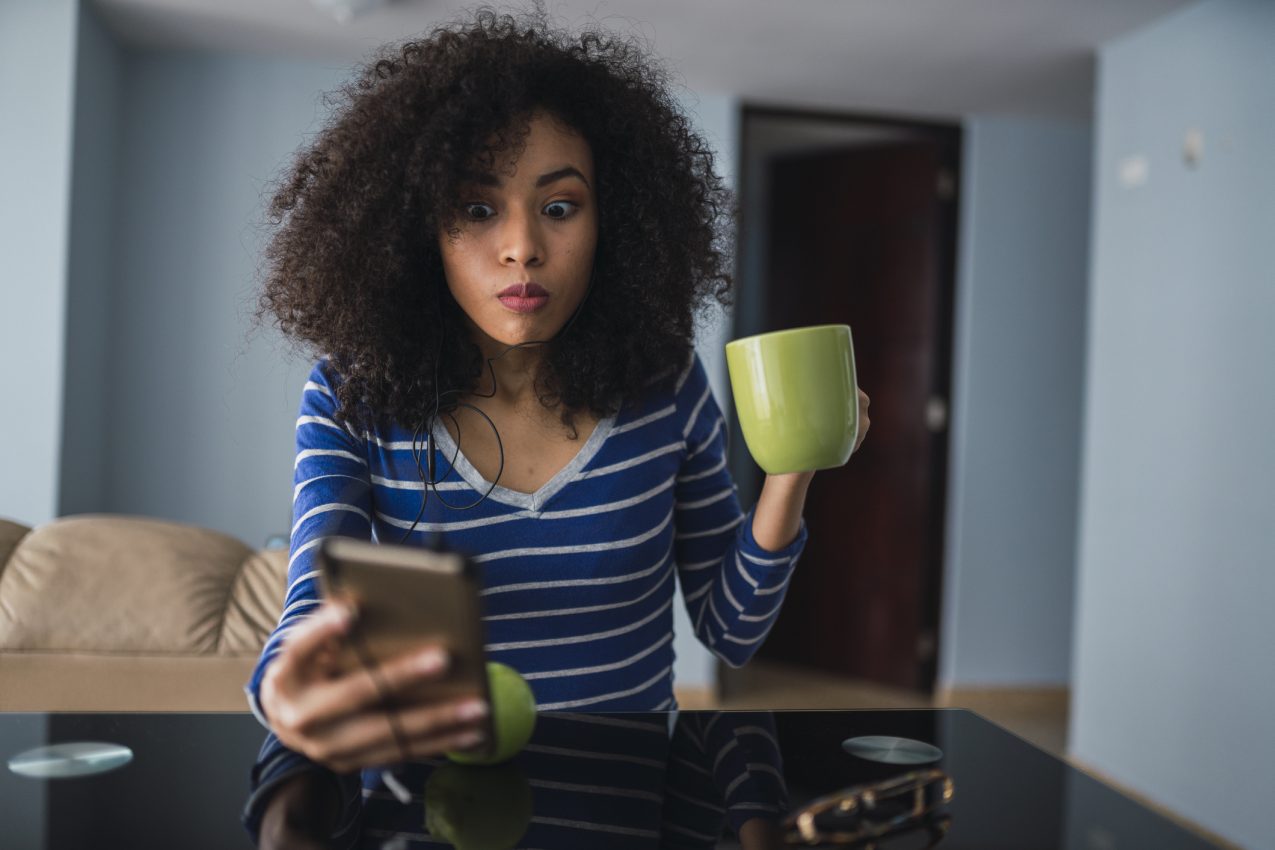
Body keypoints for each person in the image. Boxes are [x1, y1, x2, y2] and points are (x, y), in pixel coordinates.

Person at [241, 5, 870, 842]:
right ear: (414, 229)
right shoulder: (352, 397)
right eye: (475, 208)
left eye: (560, 207)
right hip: (423, 812)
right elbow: (307, 608)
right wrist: (285, 689)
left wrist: (793, 467)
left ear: (614, 223)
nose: (521, 248)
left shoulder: (665, 387)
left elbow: (731, 630)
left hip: (624, 806)